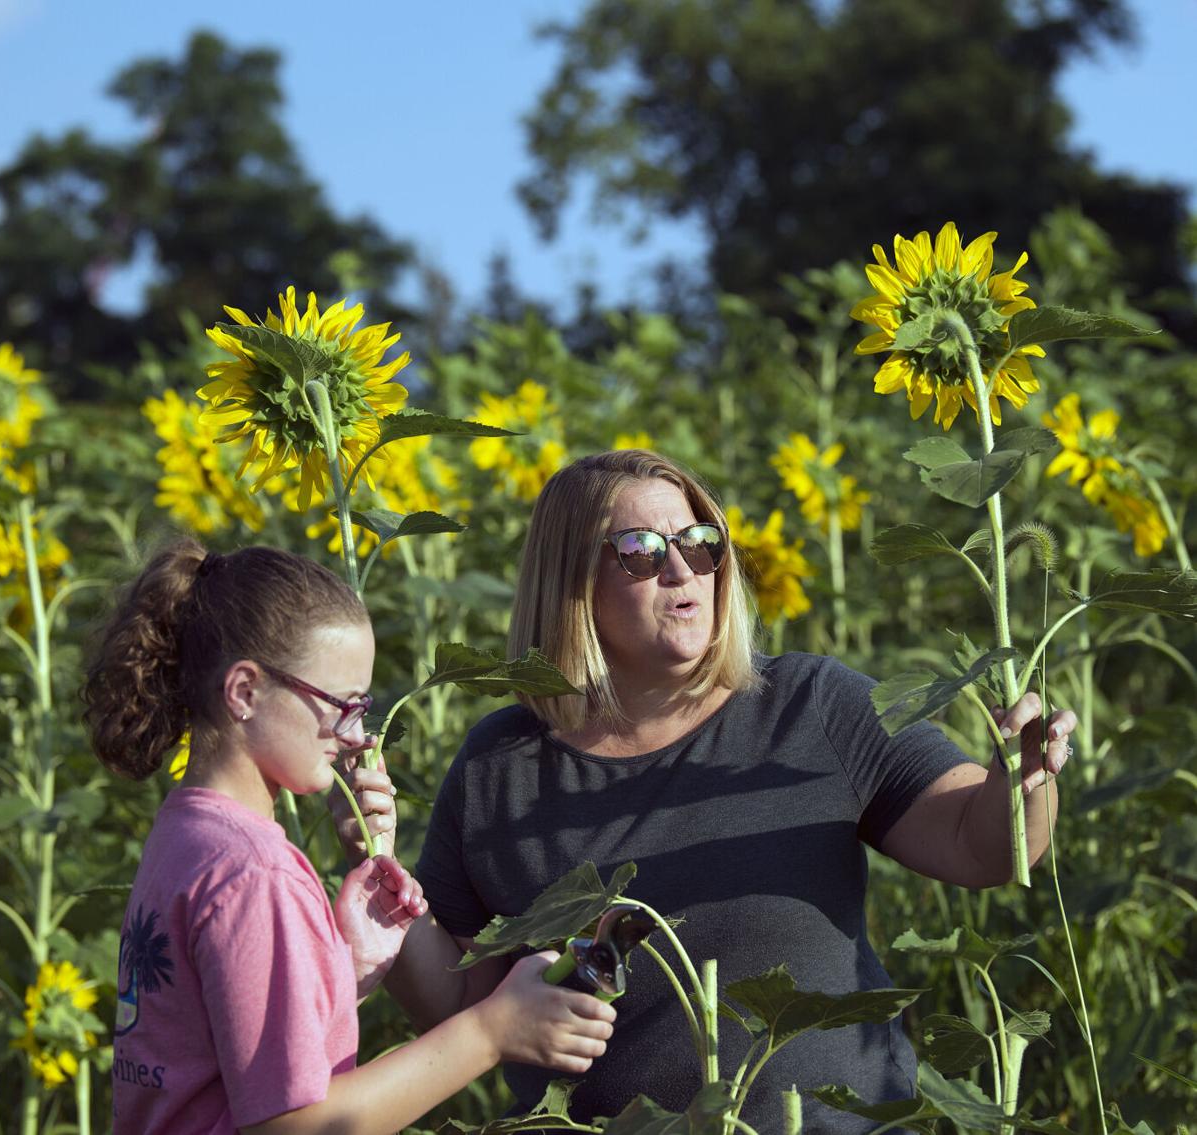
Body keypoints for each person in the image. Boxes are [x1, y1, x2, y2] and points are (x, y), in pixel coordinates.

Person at [332, 449, 1076, 1133]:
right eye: (642, 552)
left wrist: (1023, 775)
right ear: (570, 583)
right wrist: (375, 862)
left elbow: (984, 846)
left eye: (700, 544)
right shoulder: (502, 765)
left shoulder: (812, 706)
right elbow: (466, 1007)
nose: (682, 571)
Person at [82, 539, 617, 1135]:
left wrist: (344, 966)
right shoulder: (258, 872)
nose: (360, 736)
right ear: (244, 692)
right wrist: (490, 1032)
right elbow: (290, 1125)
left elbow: (220, 1051)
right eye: (343, 705)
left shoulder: (188, 834)